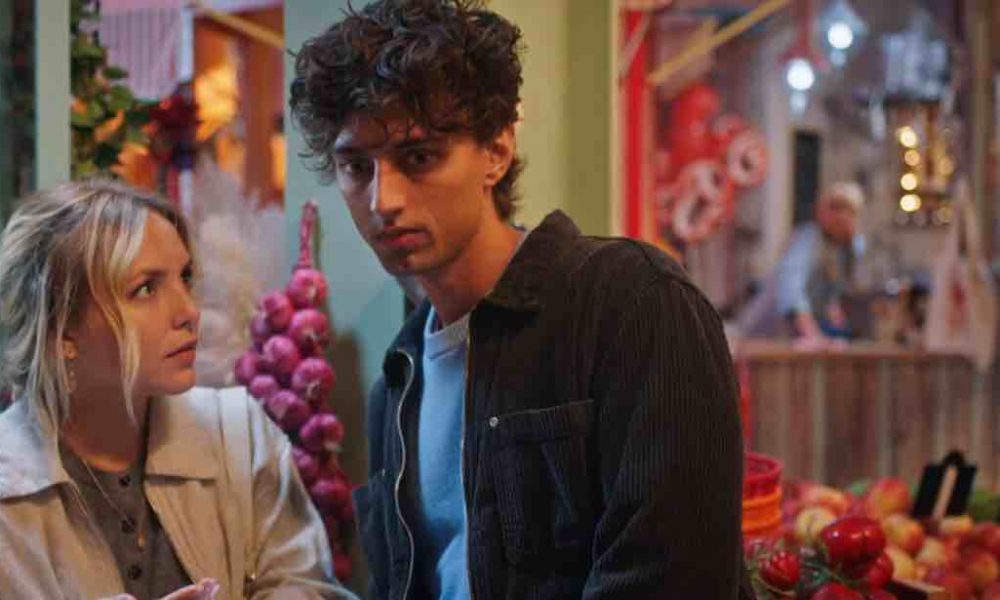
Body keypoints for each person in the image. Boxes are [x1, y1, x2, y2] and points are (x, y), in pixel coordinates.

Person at [290, 1, 747, 598]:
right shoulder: (398, 383)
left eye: (419, 157)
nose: (384, 201)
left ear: (497, 150)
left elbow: (673, 579)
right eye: (356, 166)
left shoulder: (633, 304)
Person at [0, 180, 357, 599]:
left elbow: (307, 586)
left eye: (184, 277)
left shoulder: (238, 435)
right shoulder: (10, 485)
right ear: (59, 331)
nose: (189, 311)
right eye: (146, 289)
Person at [739, 181, 866, 343]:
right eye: (834, 208)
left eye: (847, 210)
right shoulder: (806, 242)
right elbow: (792, 292)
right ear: (820, 211)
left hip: (796, 336)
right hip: (766, 334)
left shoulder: (849, 247)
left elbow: (834, 291)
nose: (840, 215)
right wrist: (813, 335)